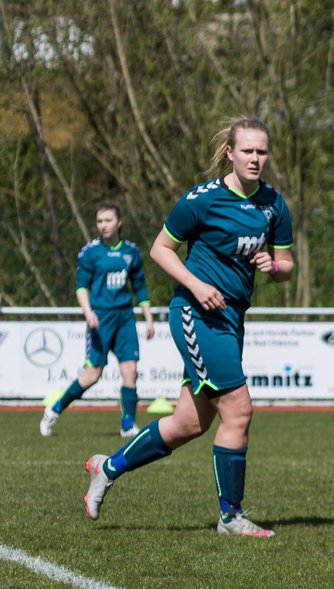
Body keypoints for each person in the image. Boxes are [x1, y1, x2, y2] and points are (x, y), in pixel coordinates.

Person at [82, 117, 293, 537]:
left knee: (188, 424)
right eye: (247, 150)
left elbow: (286, 265)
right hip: (195, 315)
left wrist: (275, 266)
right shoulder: (202, 200)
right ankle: (231, 517)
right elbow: (162, 249)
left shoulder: (274, 204)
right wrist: (197, 286)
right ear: (230, 153)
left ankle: (106, 468)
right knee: (239, 409)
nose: (255, 158)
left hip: (232, 318)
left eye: (262, 151)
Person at [40, 203, 155, 438]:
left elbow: (140, 287)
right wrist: (88, 311)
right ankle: (54, 409)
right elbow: (81, 286)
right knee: (93, 374)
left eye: (108, 220)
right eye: (99, 221)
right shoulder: (90, 252)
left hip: (125, 318)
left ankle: (128, 424)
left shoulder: (131, 252)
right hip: (100, 319)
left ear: (119, 222)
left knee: (130, 371)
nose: (103, 225)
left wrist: (149, 318)